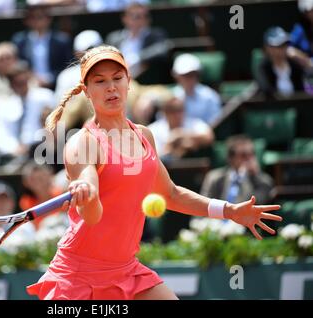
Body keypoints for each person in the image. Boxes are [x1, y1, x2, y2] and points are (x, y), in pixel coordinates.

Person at [26, 45, 282, 300]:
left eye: (117, 78)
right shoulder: (82, 143)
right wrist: (88, 195)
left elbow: (170, 193)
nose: (111, 87)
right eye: (100, 81)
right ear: (87, 91)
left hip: (127, 271)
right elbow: (91, 216)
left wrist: (228, 210)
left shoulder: (144, 135)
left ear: (129, 82)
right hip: (78, 277)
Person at [0, 61, 54, 163]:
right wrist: (14, 149)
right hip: (12, 156)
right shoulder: (3, 107)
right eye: (17, 83)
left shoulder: (46, 97)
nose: (22, 86)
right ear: (11, 85)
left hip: (41, 151)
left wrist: (30, 147)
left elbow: (54, 129)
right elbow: (0, 135)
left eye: (24, 82)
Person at [106, 2, 172, 83]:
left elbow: (162, 49)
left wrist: (137, 59)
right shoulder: (114, 37)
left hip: (147, 84)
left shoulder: (156, 35)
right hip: (118, 82)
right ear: (125, 18)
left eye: (145, 16)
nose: (142, 19)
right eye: (136, 16)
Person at [201, 135, 274, 205]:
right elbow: (204, 205)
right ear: (231, 158)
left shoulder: (264, 181)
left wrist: (253, 176)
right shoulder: (214, 177)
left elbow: (258, 203)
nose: (249, 159)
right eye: (243, 155)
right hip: (216, 216)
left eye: (251, 154)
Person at [12, 5, 73, 89]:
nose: (36, 21)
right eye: (32, 17)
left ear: (49, 19)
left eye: (39, 17)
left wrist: (50, 79)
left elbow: (68, 66)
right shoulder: (20, 40)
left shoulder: (62, 40)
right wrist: (31, 78)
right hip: (29, 87)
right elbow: (18, 64)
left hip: (58, 86)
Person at [147, 96, 214, 162]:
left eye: (180, 110)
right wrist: (172, 148)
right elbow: (153, 157)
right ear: (165, 113)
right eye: (173, 110)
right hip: (166, 168)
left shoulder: (194, 123)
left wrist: (180, 134)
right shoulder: (154, 129)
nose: (177, 114)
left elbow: (209, 136)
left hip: (192, 166)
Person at [171, 53, 222, 125]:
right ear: (176, 76)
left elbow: (214, 124)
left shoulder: (210, 96)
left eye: (192, 75)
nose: (189, 79)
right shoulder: (170, 97)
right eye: (185, 75)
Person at [255, 26, 305, 98]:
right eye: (279, 46)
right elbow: (267, 90)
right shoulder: (263, 67)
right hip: (274, 107)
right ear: (268, 48)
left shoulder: (295, 66)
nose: (282, 49)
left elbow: (301, 92)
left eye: (284, 45)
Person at [19, 162, 64, 229]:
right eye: (33, 179)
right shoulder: (25, 202)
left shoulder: (61, 194)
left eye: (41, 178)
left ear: (50, 176)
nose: (38, 183)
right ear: (26, 183)